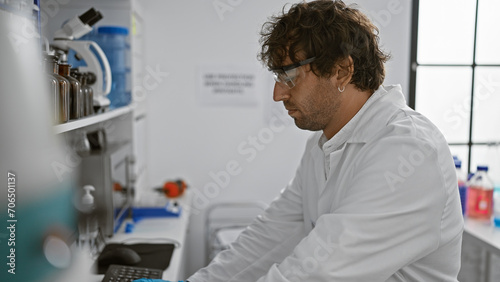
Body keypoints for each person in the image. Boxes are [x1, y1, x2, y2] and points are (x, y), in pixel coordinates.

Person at [135, 0, 464, 281]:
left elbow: (317, 273)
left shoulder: (408, 151)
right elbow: (270, 235)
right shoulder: (323, 145)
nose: (278, 94)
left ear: (341, 71)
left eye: (289, 76)